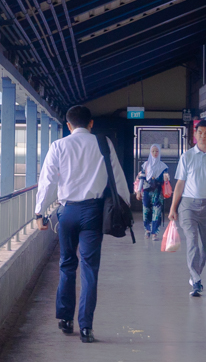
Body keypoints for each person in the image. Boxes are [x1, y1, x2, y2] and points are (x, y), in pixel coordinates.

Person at [35, 105, 130, 343]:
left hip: (66, 212)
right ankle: (86, 326)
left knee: (67, 264)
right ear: (91, 124)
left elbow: (47, 181)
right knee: (89, 268)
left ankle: (65, 319)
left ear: (68, 125)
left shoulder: (59, 146)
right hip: (93, 212)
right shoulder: (103, 142)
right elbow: (117, 177)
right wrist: (125, 208)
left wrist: (39, 213)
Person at [170, 120, 206, 297]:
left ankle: (195, 273)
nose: (203, 136)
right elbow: (180, 184)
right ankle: (196, 280)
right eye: (200, 132)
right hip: (188, 206)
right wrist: (173, 208)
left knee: (205, 246)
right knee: (192, 241)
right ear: (194, 135)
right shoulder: (187, 156)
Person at [138, 144, 169, 239]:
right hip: (147, 191)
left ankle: (154, 232)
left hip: (158, 191)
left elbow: (166, 180)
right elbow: (142, 179)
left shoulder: (163, 166)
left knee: (157, 211)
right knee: (146, 210)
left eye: (157, 151)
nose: (155, 153)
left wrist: (166, 179)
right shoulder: (145, 165)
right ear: (150, 152)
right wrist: (139, 191)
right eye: (153, 151)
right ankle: (147, 229)